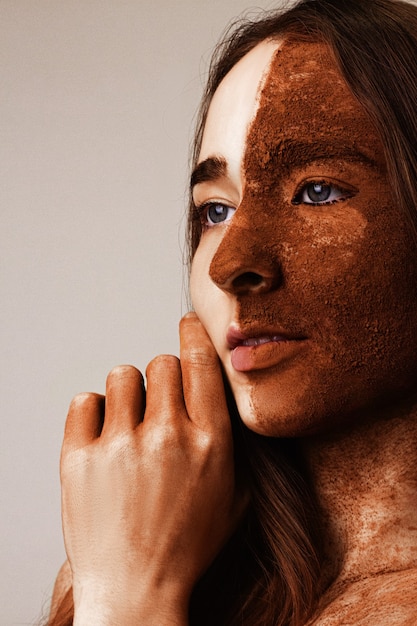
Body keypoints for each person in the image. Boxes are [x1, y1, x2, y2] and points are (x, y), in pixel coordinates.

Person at [47, 0, 417, 624]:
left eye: (316, 191)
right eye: (215, 210)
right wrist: (122, 580)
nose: (229, 265)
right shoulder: (140, 546)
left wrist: (134, 602)